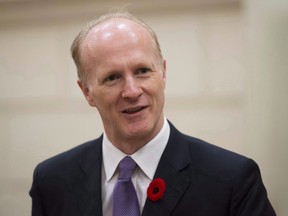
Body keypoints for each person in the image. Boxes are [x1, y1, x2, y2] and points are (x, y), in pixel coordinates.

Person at [29, 9, 276, 216]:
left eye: (142, 70)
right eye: (112, 77)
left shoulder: (232, 180)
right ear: (87, 92)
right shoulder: (51, 181)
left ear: (164, 73)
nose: (132, 90)